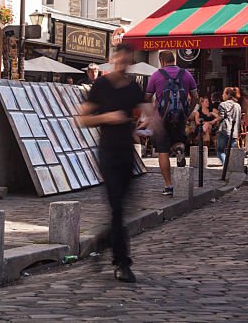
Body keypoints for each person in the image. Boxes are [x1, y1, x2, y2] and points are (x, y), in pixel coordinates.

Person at [76, 43, 147, 283]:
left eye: (127, 60)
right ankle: (122, 263)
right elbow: (82, 119)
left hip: (128, 152)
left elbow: (147, 111)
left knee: (124, 209)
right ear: (113, 59)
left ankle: (103, 240)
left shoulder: (133, 87)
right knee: (117, 207)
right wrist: (108, 117)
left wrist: (154, 126)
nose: (123, 64)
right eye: (120, 59)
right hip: (107, 151)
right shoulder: (101, 85)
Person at [144, 51, 197, 196]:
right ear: (174, 59)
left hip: (161, 118)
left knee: (163, 151)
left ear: (161, 61)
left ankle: (168, 185)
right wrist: (187, 112)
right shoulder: (186, 74)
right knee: (179, 140)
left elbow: (147, 97)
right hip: (180, 117)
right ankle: (179, 148)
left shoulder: (156, 75)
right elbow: (195, 96)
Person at [216, 87, 242, 167]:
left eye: (223, 93)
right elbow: (239, 119)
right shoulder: (238, 106)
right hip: (234, 132)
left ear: (228, 94)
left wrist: (215, 118)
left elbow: (221, 117)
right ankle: (232, 165)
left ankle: (225, 164)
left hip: (224, 129)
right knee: (232, 151)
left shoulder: (222, 104)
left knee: (220, 150)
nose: (222, 95)